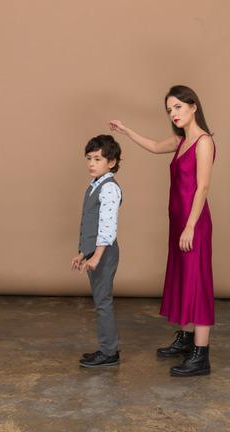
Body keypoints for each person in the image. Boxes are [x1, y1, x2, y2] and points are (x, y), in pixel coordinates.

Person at [108, 85, 215, 377]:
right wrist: (126, 130)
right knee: (184, 279)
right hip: (178, 223)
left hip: (193, 224)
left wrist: (190, 226)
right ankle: (186, 338)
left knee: (198, 283)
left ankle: (201, 355)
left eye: (178, 106)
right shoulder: (181, 141)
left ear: (194, 106)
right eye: (169, 109)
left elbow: (202, 187)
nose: (173, 113)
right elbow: (155, 146)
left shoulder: (203, 142)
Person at [71, 134, 122, 368]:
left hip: (104, 253)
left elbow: (107, 227)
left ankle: (109, 352)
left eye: (98, 159)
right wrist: (83, 253)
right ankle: (106, 348)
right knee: (100, 301)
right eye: (89, 158)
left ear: (111, 162)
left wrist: (97, 256)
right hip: (94, 253)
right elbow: (91, 223)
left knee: (103, 302)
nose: (91, 163)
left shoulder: (109, 188)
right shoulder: (95, 184)